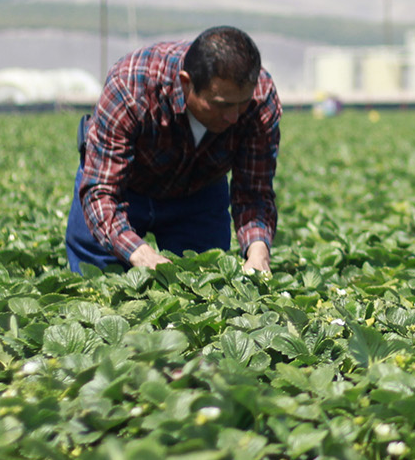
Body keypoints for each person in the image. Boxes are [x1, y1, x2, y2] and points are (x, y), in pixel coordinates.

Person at [65, 26, 280, 274]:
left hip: (199, 192)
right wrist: (141, 254)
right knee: (96, 280)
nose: (233, 116)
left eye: (242, 104)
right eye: (222, 105)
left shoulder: (260, 96)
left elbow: (254, 191)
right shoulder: (131, 85)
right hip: (123, 186)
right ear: (186, 83)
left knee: (200, 286)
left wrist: (258, 251)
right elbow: (101, 191)